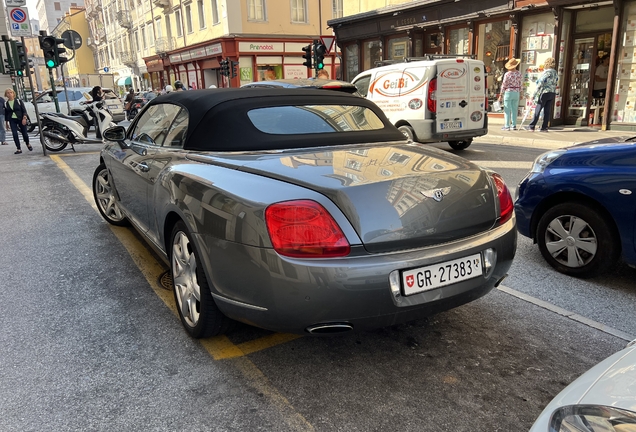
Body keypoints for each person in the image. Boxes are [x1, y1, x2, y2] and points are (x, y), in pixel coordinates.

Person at [526, 57, 558, 132]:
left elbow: (540, 83)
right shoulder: (555, 73)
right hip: (552, 92)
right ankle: (544, 126)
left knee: (538, 108)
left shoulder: (547, 72)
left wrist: (534, 94)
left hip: (544, 92)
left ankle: (532, 126)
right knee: (547, 110)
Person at [4, 88, 31, 154]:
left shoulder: (19, 101)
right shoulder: (6, 103)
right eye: (8, 93)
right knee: (14, 134)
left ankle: (28, 144)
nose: (10, 94)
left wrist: (24, 118)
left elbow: (24, 111)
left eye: (11, 92)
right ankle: (18, 148)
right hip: (12, 120)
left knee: (24, 133)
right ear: (6, 95)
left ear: (13, 93)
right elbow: (6, 113)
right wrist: (7, 123)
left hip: (21, 118)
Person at [498, 58, 522, 131]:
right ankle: (514, 125)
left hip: (508, 92)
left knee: (507, 110)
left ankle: (507, 125)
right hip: (516, 92)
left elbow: (504, 84)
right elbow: (521, 84)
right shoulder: (519, 73)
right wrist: (521, 93)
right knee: (514, 109)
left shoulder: (507, 74)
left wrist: (500, 94)